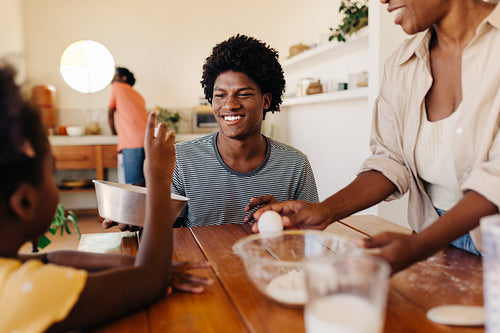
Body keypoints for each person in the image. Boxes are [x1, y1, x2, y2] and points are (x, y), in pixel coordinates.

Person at [253, 0, 500, 273]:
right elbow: (390, 161)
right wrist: (325, 211)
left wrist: (419, 247)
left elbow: (495, 180)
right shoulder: (402, 65)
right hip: (435, 241)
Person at [0, 64, 211, 332]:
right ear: (24, 203)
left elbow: (49, 260)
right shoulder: (27, 294)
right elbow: (151, 281)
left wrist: (128, 262)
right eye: (51, 173)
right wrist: (158, 177)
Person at [171, 34, 319, 227]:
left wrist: (285, 220)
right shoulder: (181, 159)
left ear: (266, 101)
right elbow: (166, 235)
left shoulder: (295, 165)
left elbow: (311, 237)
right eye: (220, 95)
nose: (230, 105)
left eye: (243, 94)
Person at [108, 67, 149, 186]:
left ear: (123, 78)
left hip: (132, 142)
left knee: (134, 185)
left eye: (115, 75)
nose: (113, 78)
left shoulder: (117, 86)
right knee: (146, 184)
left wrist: (113, 132)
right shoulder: (137, 94)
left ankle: (137, 206)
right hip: (146, 140)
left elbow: (110, 113)